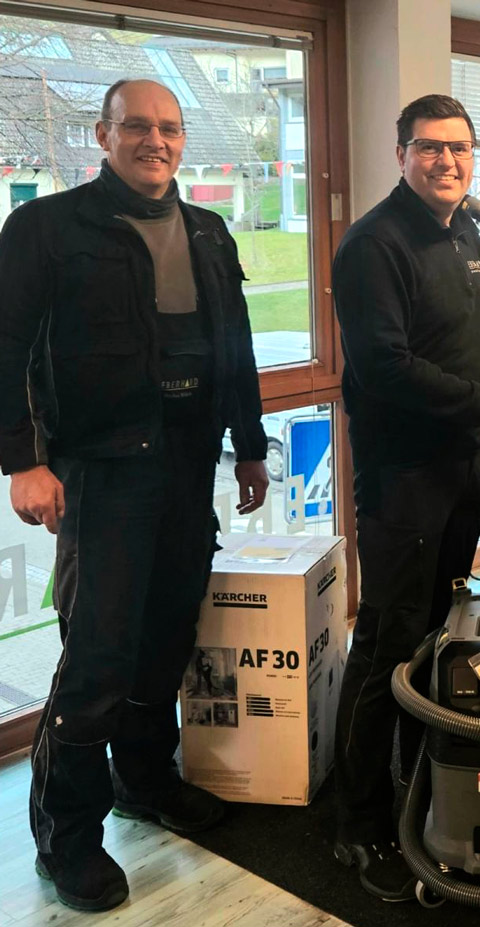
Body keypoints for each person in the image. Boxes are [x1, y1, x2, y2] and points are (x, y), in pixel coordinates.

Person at [0, 78, 268, 911]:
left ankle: (144, 782)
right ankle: (66, 838)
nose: (157, 141)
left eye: (171, 129)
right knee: (98, 657)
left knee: (165, 639)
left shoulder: (208, 231)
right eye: (139, 127)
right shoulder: (47, 228)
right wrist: (22, 461)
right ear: (103, 134)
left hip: (189, 463)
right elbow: (5, 346)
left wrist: (250, 447)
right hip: (101, 471)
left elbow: (235, 345)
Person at [331, 93, 480, 902]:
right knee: (386, 642)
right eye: (430, 147)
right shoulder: (373, 245)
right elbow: (388, 370)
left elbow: (464, 345)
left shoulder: (465, 232)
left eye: (460, 148)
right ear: (401, 153)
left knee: (435, 633)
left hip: (460, 467)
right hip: (402, 478)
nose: (447, 161)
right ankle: (359, 823)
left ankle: (418, 779)